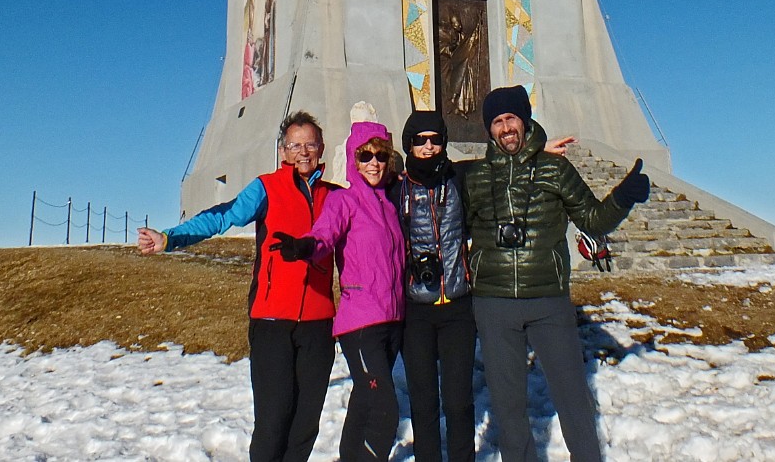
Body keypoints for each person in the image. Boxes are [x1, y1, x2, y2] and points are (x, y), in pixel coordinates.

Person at [463, 85, 650, 462]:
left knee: (573, 399)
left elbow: (594, 220)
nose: (506, 128)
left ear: (525, 120)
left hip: (548, 301)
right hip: (494, 303)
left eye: (511, 118)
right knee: (509, 407)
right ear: (489, 130)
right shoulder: (474, 177)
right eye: (497, 122)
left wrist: (624, 195)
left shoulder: (555, 169)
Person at [136, 112, 338, 462]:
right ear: (283, 151)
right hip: (272, 320)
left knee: (306, 424)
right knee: (274, 421)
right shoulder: (267, 187)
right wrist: (169, 238)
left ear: (322, 148)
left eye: (310, 145)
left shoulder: (335, 196)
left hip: (319, 323)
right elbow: (223, 215)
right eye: (295, 145)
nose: (303, 152)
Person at [273, 121, 406, 462]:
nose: (374, 163)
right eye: (365, 156)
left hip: (392, 319)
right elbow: (325, 234)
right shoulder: (344, 201)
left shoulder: (391, 205)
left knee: (364, 402)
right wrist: (306, 247)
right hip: (361, 323)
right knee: (385, 408)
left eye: (380, 155)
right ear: (353, 159)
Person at [394, 109, 477, 462]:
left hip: (458, 305)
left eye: (435, 139)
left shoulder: (459, 178)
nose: (428, 147)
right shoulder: (396, 189)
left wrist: (539, 148)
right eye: (419, 140)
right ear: (408, 145)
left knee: (459, 400)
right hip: (416, 310)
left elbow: (501, 164)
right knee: (423, 400)